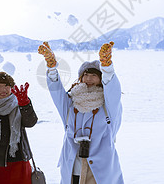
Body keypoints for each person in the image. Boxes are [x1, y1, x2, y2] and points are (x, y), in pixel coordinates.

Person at [38, 41, 124, 184]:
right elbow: (56, 91)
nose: (89, 79)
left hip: (99, 172)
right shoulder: (71, 103)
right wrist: (51, 67)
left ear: (101, 79)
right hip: (73, 168)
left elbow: (112, 88)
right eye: (85, 75)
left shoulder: (108, 105)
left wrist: (107, 67)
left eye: (94, 75)